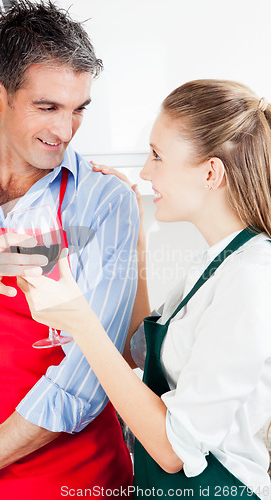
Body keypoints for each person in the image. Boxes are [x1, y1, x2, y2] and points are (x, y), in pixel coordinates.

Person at [18, 79, 271, 500]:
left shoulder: (253, 277)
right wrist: (135, 237)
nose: (147, 171)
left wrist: (80, 321)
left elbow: (174, 449)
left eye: (157, 156)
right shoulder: (214, 262)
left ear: (211, 173)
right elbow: (138, 350)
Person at [0, 1, 139, 498]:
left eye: (78, 110)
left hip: (71, 480)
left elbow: (89, 376)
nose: (64, 132)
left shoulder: (103, 201)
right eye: (47, 107)